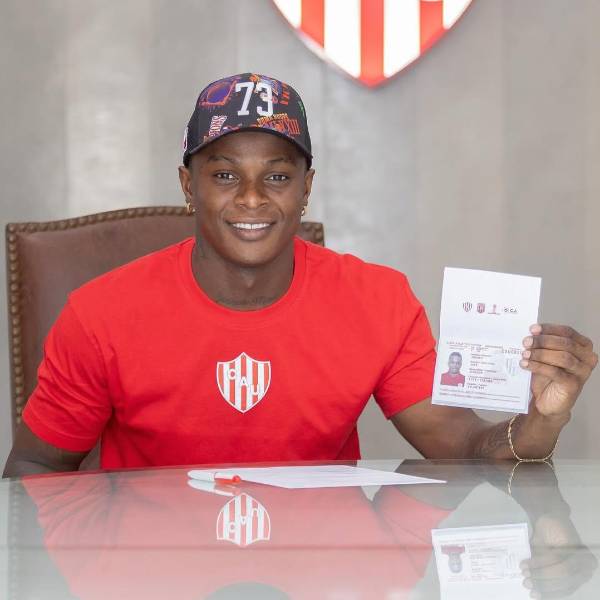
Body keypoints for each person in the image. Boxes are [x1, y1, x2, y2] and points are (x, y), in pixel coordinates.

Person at [3, 73, 598, 477]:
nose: (252, 198)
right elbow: (32, 470)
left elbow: (466, 448)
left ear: (306, 188)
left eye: (278, 176)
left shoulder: (378, 300)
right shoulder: (101, 313)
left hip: (318, 569)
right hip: (151, 574)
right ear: (188, 185)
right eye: (225, 175)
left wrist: (542, 420)